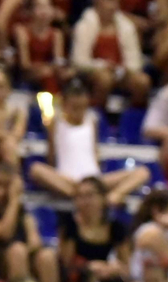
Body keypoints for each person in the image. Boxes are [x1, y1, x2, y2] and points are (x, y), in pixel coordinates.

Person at [31, 77, 151, 209]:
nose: (79, 111)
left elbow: (94, 152)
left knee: (143, 172)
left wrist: (97, 176)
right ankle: (85, 195)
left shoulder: (92, 121)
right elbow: (51, 157)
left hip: (94, 179)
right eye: (75, 107)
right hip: (69, 180)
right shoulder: (56, 123)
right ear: (65, 105)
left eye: (82, 107)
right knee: (36, 169)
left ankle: (110, 196)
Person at [72, 0, 151, 108]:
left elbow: (134, 61)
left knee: (143, 81)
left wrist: (125, 70)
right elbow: (79, 61)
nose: (113, 6)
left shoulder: (127, 27)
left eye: (117, 1)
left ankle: (131, 118)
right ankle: (98, 115)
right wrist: (102, 65)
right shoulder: (84, 25)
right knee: (105, 79)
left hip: (120, 72)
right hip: (93, 72)